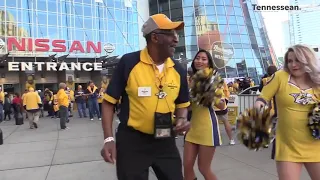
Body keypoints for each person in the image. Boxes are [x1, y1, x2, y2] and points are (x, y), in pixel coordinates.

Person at [101, 14, 190, 180]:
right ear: (155, 37)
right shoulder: (129, 62)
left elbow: (183, 104)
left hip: (165, 138)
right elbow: (108, 103)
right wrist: (108, 138)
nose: (176, 40)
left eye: (176, 35)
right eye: (171, 34)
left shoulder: (178, 69)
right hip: (132, 141)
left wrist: (181, 119)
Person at [255, 44, 320, 180]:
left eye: (297, 60)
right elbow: (264, 96)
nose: (293, 65)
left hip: (316, 144)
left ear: (307, 60)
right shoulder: (280, 76)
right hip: (287, 145)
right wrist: (259, 105)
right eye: (290, 61)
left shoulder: (317, 81)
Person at [184, 50, 225, 180]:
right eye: (197, 58)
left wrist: (208, 91)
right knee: (187, 166)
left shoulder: (213, 79)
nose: (200, 61)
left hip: (207, 127)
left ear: (209, 63)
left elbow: (222, 105)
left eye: (203, 59)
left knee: (203, 168)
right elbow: (189, 106)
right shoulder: (190, 79)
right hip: (191, 127)